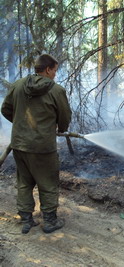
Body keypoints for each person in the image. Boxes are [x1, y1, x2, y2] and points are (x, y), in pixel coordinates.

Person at [1, 54, 72, 234]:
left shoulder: (18, 86)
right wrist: (60, 127)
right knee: (47, 183)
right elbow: (64, 117)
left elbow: (5, 109)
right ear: (48, 69)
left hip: (19, 145)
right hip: (42, 148)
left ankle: (26, 220)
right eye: (55, 70)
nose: (55, 74)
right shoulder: (56, 90)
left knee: (24, 182)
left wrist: (20, 124)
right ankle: (49, 222)